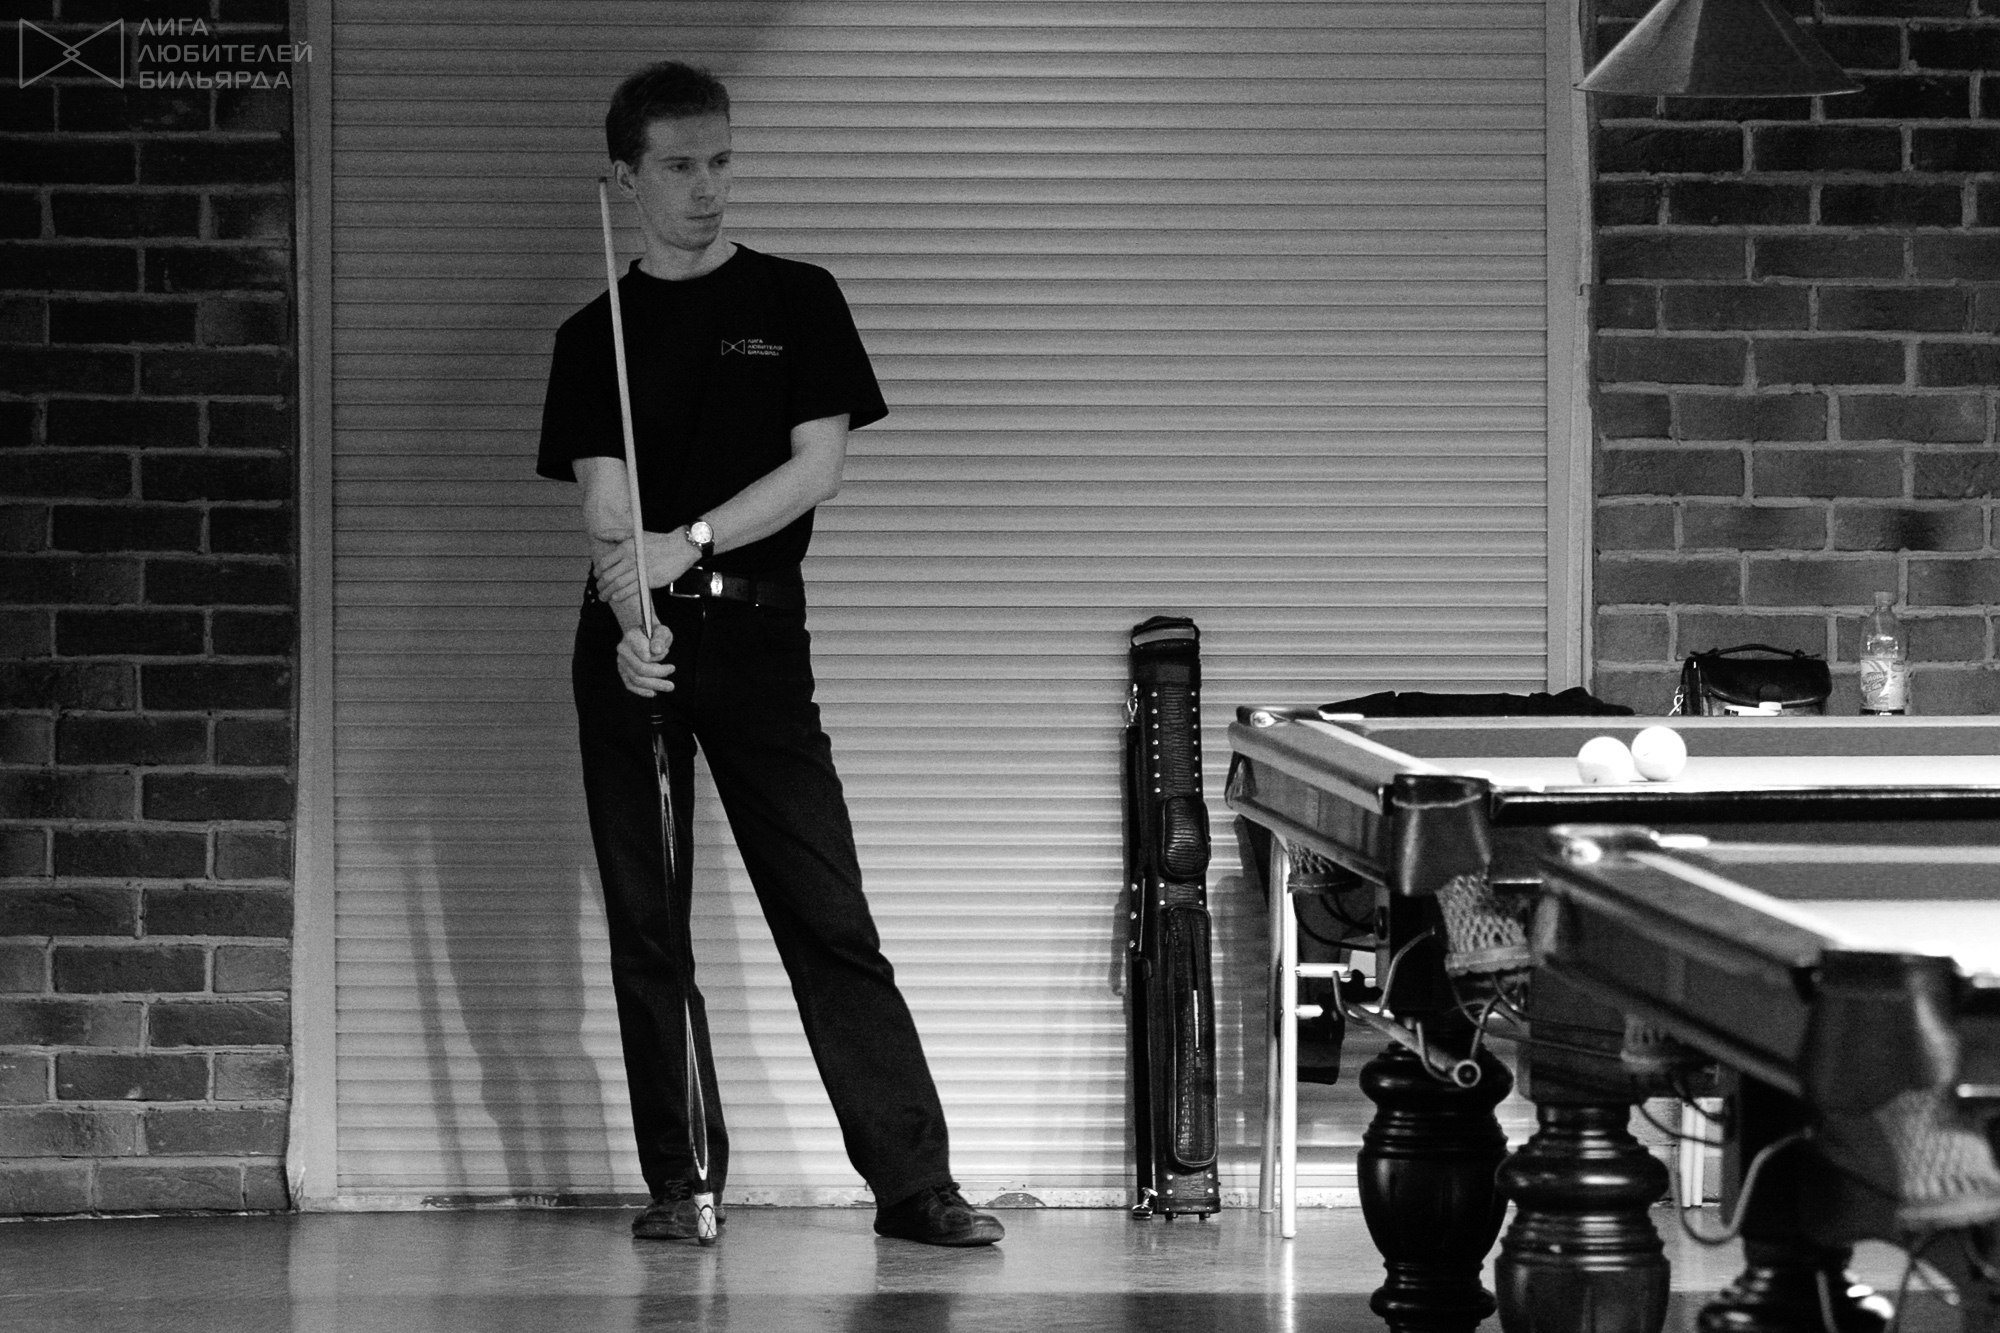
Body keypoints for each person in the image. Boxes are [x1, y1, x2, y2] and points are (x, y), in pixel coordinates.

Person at [535, 60, 1002, 1248]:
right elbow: (604, 506)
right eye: (679, 166)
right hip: (634, 643)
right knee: (649, 924)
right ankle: (681, 1182)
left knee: (824, 907)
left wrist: (683, 543)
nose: (706, 188)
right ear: (626, 178)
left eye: (720, 161)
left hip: (752, 631)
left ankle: (914, 1183)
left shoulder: (796, 297)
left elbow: (816, 468)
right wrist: (630, 620)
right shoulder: (593, 334)